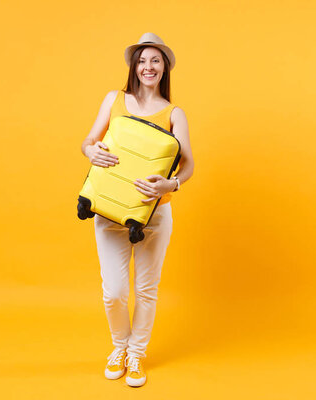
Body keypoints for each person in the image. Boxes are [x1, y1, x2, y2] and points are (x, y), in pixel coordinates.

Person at [80, 32, 194, 387]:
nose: (148, 67)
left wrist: (170, 185)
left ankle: (137, 353)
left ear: (165, 68)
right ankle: (119, 346)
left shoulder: (175, 113)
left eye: (155, 61)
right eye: (142, 60)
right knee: (113, 291)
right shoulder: (114, 100)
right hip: (109, 209)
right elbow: (89, 140)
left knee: (146, 289)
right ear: (134, 66)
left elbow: (189, 164)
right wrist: (90, 151)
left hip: (154, 215)